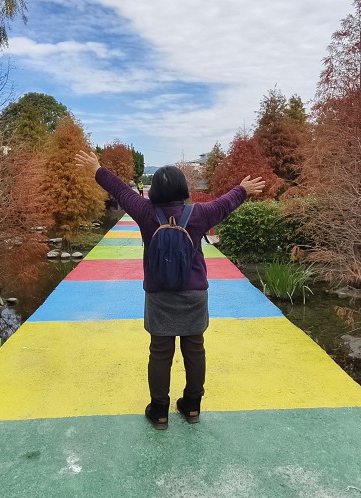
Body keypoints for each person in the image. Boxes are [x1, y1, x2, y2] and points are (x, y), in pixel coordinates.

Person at [75, 151, 265, 430]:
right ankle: (192, 407)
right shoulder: (200, 214)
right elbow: (226, 203)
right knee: (195, 349)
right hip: (194, 294)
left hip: (158, 293)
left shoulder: (144, 212)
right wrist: (243, 189)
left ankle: (160, 411)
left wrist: (97, 168)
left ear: (156, 191)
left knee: (160, 352)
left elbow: (120, 190)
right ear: (183, 189)